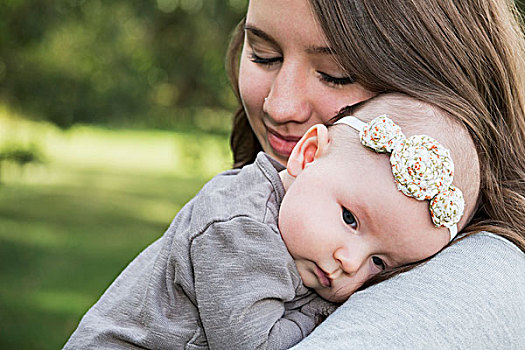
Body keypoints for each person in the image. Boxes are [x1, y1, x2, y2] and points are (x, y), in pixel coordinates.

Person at [63, 93, 479, 349]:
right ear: (307, 155)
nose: (351, 263)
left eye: (380, 264)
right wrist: (321, 314)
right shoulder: (241, 230)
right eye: (350, 219)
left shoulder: (299, 237)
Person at [225, 0, 525, 348]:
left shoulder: (468, 287)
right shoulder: (242, 215)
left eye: (337, 75)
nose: (280, 107)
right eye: (264, 55)